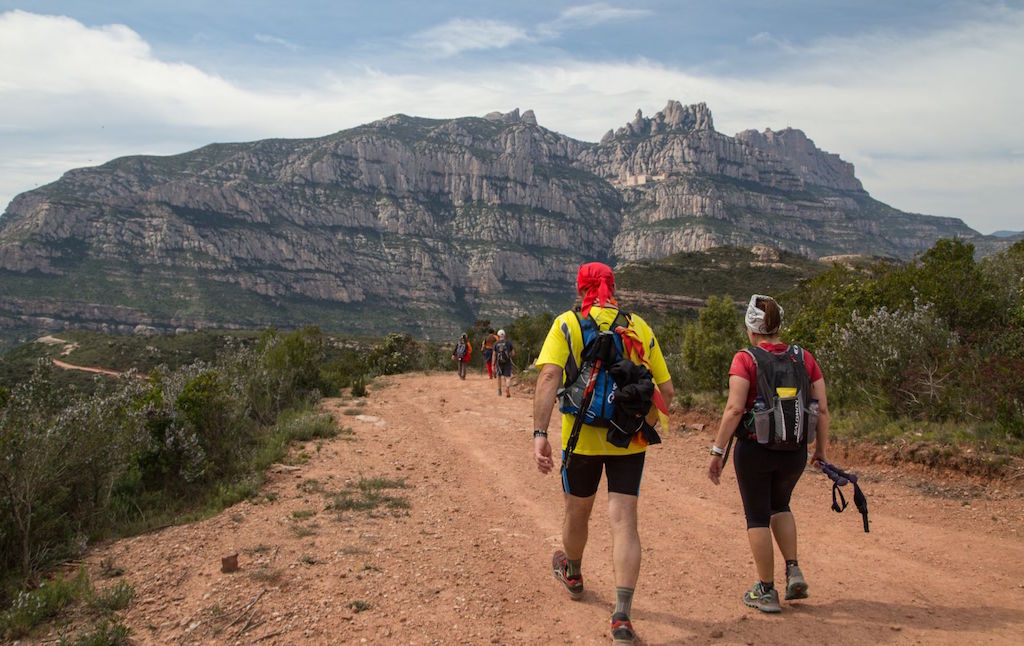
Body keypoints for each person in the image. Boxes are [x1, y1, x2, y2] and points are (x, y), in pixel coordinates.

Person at [532, 262, 673, 645]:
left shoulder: (568, 324)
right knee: (625, 522)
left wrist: (540, 434)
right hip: (629, 441)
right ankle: (622, 615)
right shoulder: (638, 327)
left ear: (582, 290)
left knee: (577, 513)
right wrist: (643, 425)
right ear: (613, 288)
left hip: (581, 439)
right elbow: (667, 392)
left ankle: (573, 571)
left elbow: (549, 377)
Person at [707, 294, 830, 614]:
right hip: (794, 451)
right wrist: (820, 450)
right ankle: (793, 570)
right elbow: (822, 409)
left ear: (751, 328)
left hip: (755, 450)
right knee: (781, 505)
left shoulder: (745, 359)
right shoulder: (804, 358)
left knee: (757, 516)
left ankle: (765, 590)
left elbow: (734, 409)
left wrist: (718, 451)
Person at [492, 330, 515, 396]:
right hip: (507, 362)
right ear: (504, 335)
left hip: (498, 363)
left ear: (498, 336)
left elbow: (494, 354)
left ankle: (499, 391)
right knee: (507, 377)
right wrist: (509, 356)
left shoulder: (496, 343)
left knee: (499, 377)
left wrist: (493, 364)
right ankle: (507, 389)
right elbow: (513, 353)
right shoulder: (509, 343)